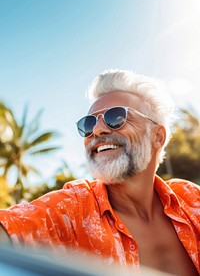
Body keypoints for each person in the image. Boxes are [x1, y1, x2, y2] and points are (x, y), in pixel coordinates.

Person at [0, 69, 199, 276]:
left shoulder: (191, 199)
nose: (97, 130)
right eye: (88, 124)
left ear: (157, 136)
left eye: (116, 117)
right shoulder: (72, 208)